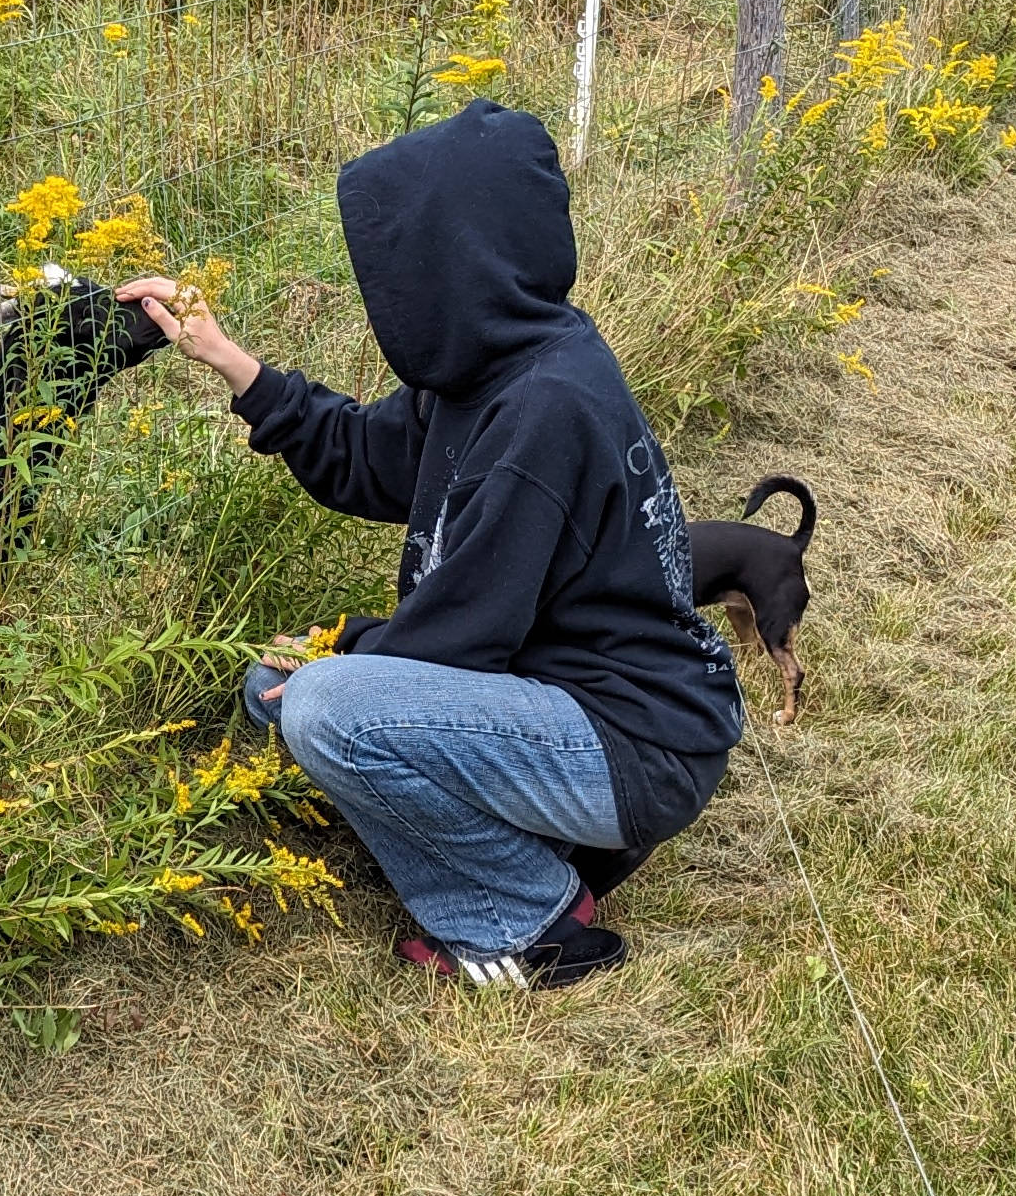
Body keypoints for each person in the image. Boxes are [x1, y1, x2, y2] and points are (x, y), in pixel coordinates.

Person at [122, 98, 740, 989]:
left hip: (635, 744)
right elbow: (367, 461)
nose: (391, 292)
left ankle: (529, 921)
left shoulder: (545, 409)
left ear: (456, 259)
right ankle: (520, 837)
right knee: (277, 686)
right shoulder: (496, 365)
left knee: (328, 706)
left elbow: (466, 628)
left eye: (401, 265)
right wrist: (227, 357)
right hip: (563, 701)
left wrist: (342, 651)